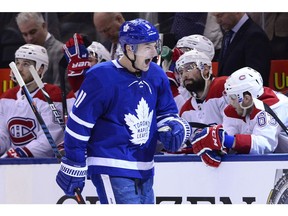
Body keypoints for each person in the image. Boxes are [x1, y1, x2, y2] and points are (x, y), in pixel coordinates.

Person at [55, 18, 191, 204]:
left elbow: (167, 113)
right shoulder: (101, 76)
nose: (154, 52)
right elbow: (79, 125)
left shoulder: (156, 74)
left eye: (154, 45)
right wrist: (74, 162)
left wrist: (174, 127)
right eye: (147, 47)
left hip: (145, 165)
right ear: (129, 49)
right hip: (110, 165)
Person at [191, 67, 288, 168]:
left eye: (233, 98)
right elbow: (228, 135)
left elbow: (265, 145)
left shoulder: (272, 107)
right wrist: (217, 146)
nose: (230, 103)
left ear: (246, 98)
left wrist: (228, 140)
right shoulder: (239, 108)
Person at [0, 44, 64, 158]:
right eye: (17, 63)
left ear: (40, 68)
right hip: (11, 167)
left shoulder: (51, 95)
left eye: (26, 64)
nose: (19, 69)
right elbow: (3, 135)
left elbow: (49, 139)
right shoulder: (7, 96)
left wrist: (20, 154)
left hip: (42, 167)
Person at [213, 12, 272, 87]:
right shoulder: (228, 34)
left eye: (220, 15)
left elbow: (256, 78)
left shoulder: (255, 35)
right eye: (215, 16)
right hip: (228, 95)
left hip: (245, 95)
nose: (218, 21)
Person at [15, 12, 68, 92]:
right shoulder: (23, 56)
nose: (29, 38)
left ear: (44, 26)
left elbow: (61, 91)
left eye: (33, 32)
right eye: (25, 34)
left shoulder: (60, 51)